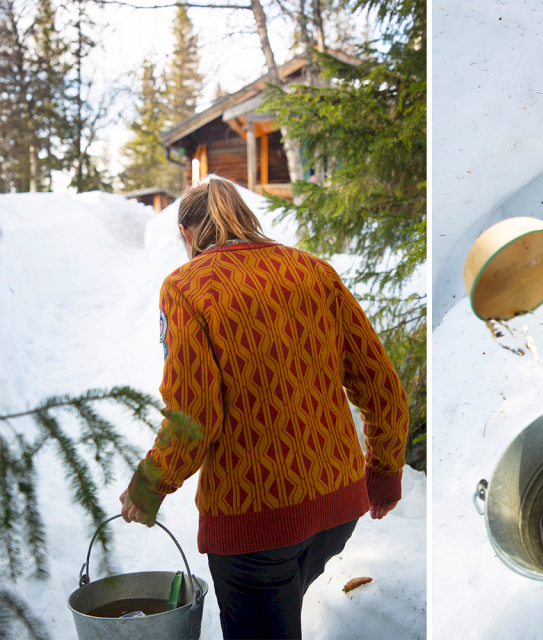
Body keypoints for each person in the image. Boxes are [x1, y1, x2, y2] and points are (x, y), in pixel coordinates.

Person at [118, 177, 409, 638]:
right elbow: (381, 384)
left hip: (255, 525)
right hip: (337, 508)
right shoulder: (315, 271)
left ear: (188, 234)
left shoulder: (185, 288)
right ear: (245, 218)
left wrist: (150, 484)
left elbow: (194, 413)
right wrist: (384, 471)